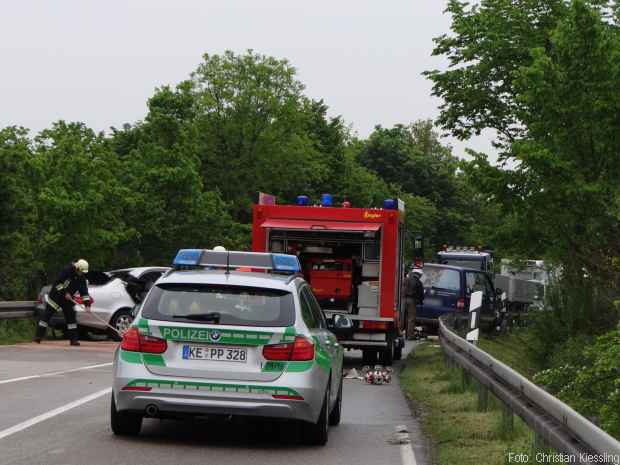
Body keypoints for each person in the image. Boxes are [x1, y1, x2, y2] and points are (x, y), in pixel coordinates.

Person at [34, 259, 92, 346]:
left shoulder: (82, 278)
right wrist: (65, 293)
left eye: (84, 272)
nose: (82, 273)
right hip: (56, 297)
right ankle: (38, 337)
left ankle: (73, 340)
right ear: (77, 268)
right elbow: (58, 283)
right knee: (47, 316)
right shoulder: (67, 271)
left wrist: (87, 305)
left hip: (68, 300)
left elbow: (84, 292)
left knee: (71, 318)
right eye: (81, 271)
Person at [404, 266, 424, 340]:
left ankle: (406, 334)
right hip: (412, 301)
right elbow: (421, 294)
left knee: (406, 318)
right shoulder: (418, 282)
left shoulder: (406, 279)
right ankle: (410, 336)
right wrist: (421, 302)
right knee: (411, 319)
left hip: (404, 300)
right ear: (418, 274)